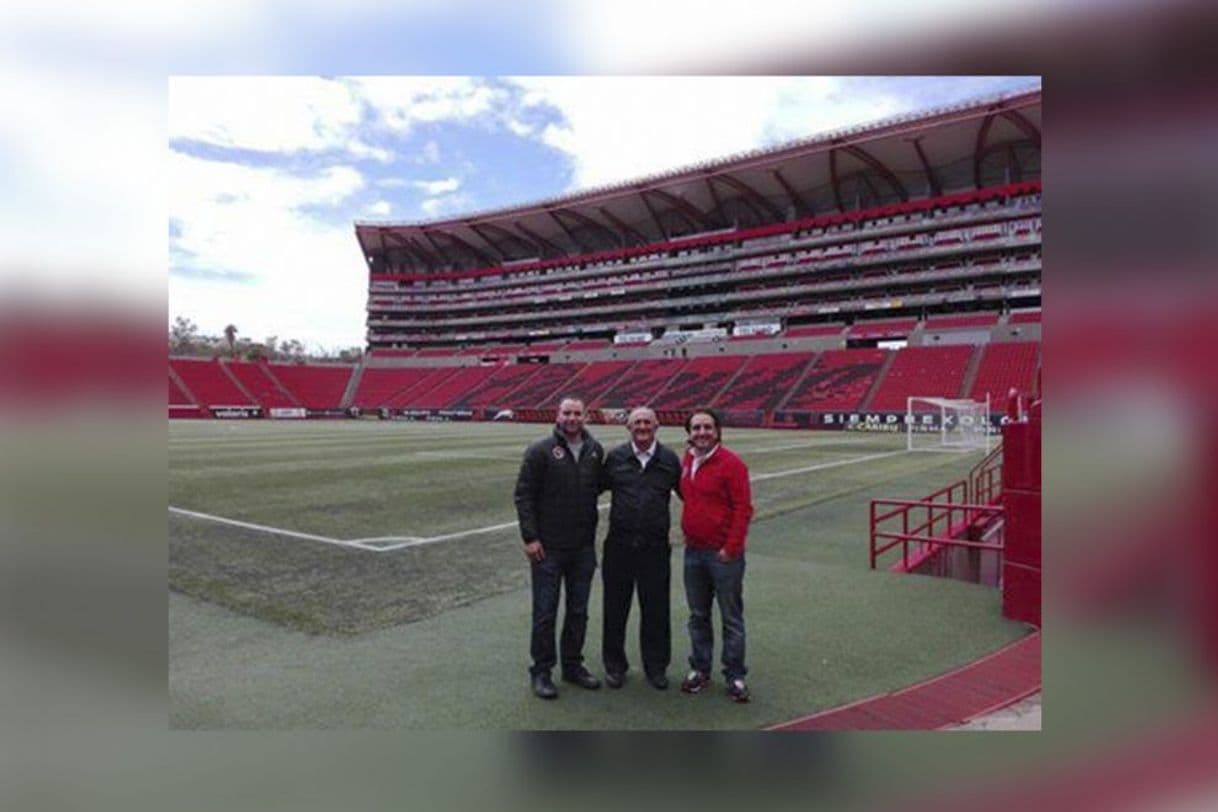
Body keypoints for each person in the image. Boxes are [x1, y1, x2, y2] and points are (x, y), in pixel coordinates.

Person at [514, 397, 605, 699]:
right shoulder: (540, 450)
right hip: (548, 549)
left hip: (582, 547)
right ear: (558, 415)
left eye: (577, 413)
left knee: (578, 611)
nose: (572, 418)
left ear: (585, 416)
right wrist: (530, 537)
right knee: (545, 613)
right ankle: (541, 671)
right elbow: (524, 495)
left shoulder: (594, 450)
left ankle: (572, 665)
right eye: (567, 412)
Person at [598, 407, 682, 690]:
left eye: (647, 422)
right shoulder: (616, 458)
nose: (642, 426)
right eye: (637, 422)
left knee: (656, 610)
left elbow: (691, 495)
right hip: (619, 546)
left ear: (657, 425)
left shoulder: (669, 460)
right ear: (628, 427)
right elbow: (591, 489)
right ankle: (614, 666)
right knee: (614, 609)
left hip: (655, 548)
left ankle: (656, 667)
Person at [678, 408, 755, 703]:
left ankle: (735, 675)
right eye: (696, 428)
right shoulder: (688, 460)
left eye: (707, 427)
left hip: (723, 555)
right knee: (698, 616)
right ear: (689, 433)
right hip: (693, 551)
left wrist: (730, 548)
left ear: (717, 430)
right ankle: (700, 669)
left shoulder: (732, 464)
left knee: (731, 618)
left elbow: (743, 509)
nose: (701, 433)